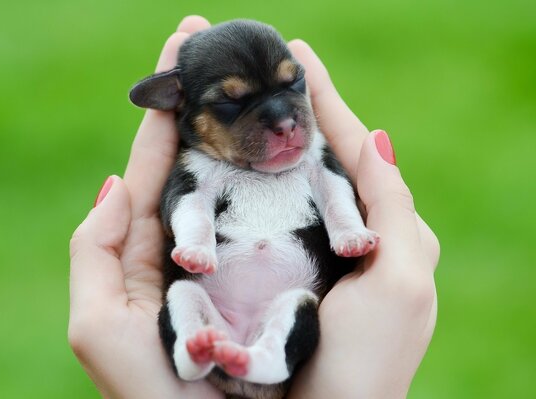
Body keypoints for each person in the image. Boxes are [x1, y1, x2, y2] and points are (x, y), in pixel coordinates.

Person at [68, 16, 439, 399]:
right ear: (177, 100)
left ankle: (268, 360)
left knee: (298, 306)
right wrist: (196, 239)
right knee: (182, 296)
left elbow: (334, 186)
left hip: (285, 307)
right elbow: (187, 203)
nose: (283, 121)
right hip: (212, 305)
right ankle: (190, 355)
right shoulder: (202, 161)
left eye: (292, 83)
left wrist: (347, 228)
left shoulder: (313, 153)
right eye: (231, 102)